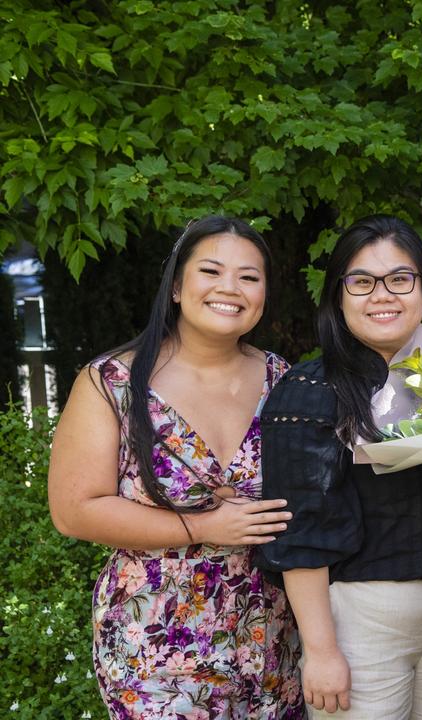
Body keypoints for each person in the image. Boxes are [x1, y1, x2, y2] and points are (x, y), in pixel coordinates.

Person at [47, 216, 303, 719]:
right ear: (179, 288)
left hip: (273, 635)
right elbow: (74, 511)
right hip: (156, 642)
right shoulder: (113, 382)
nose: (230, 288)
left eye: (249, 277)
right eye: (211, 271)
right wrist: (204, 526)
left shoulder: (285, 381)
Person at [255, 216, 422, 719]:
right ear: (339, 296)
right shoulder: (311, 391)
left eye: (401, 279)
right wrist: (321, 650)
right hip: (361, 618)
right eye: (362, 282)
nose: (383, 295)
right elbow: (300, 534)